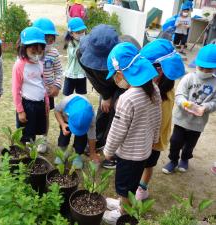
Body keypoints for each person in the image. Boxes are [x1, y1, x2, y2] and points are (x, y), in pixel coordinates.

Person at [103, 42, 161, 223]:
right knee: (131, 183)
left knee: (124, 186)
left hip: (128, 154)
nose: (116, 80)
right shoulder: (154, 88)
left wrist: (107, 151)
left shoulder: (127, 98)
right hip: (143, 151)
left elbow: (117, 131)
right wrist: (155, 138)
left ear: (121, 73)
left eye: (116, 76)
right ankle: (122, 203)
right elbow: (158, 117)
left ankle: (123, 213)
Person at [78, 24, 141, 169]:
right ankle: (98, 140)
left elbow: (135, 77)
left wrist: (123, 95)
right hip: (104, 85)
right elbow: (91, 75)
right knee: (103, 111)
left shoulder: (130, 48)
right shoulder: (82, 52)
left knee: (118, 115)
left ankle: (113, 153)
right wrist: (106, 96)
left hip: (124, 83)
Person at [136, 38, 185, 200]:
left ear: (160, 70)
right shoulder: (157, 86)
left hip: (153, 140)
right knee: (142, 164)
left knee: (148, 164)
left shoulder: (163, 96)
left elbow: (160, 123)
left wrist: (148, 140)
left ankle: (142, 189)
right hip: (146, 137)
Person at [162, 44, 216, 174]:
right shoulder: (189, 78)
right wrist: (185, 104)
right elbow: (179, 94)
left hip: (198, 122)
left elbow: (215, 102)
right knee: (175, 141)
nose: (203, 71)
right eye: (201, 67)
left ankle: (185, 159)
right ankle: (173, 160)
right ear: (196, 64)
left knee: (190, 144)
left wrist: (205, 107)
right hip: (182, 119)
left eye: (208, 69)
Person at [12, 27, 49, 144]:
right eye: (33, 52)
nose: (37, 55)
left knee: (36, 130)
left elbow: (42, 84)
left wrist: (46, 102)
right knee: (26, 134)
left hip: (40, 103)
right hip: (28, 106)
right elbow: (15, 90)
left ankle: (32, 152)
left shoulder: (40, 63)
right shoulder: (19, 65)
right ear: (24, 49)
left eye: (40, 52)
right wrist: (20, 111)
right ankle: (24, 155)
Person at [32, 18, 63, 153]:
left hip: (48, 92)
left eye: (51, 40)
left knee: (45, 116)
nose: (49, 43)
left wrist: (56, 86)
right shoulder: (30, 53)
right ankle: (31, 139)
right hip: (32, 92)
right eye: (46, 40)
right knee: (31, 116)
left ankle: (43, 140)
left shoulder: (54, 53)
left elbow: (59, 72)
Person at [55, 94, 100, 169]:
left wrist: (92, 153)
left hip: (79, 122)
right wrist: (62, 124)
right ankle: (61, 152)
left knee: (81, 139)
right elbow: (57, 111)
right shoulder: (66, 102)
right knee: (64, 135)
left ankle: (77, 155)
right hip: (66, 120)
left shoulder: (91, 117)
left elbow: (92, 135)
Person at [63, 17, 87, 96]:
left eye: (83, 31)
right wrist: (83, 42)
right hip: (71, 74)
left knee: (81, 95)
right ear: (71, 33)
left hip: (82, 73)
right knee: (67, 95)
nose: (81, 34)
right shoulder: (70, 43)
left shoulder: (85, 41)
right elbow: (76, 54)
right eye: (78, 32)